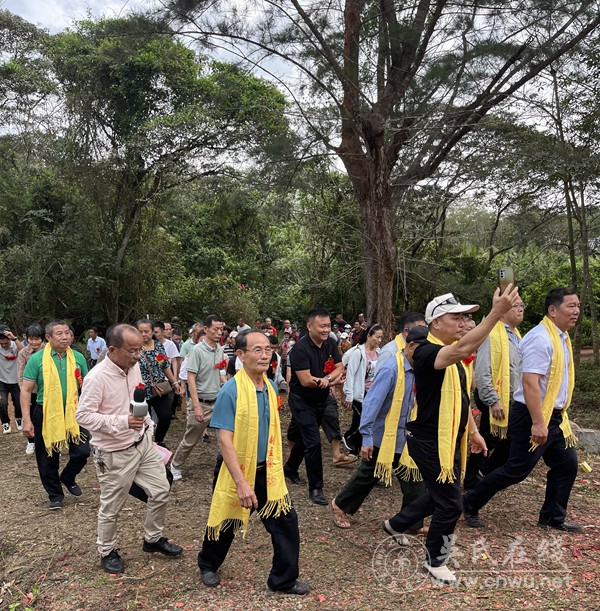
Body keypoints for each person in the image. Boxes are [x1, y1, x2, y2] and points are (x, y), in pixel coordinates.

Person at [381, 287, 519, 584]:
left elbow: (462, 399)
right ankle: (434, 561)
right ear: (435, 323)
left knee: (440, 494)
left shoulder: (451, 354)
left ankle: (396, 523)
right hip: (428, 440)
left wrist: (472, 432)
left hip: (448, 440)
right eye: (455, 317)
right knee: (451, 503)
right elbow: (463, 349)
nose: (462, 322)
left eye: (464, 317)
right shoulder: (428, 351)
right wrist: (496, 313)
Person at [198, 329, 309, 595]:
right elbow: (225, 440)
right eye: (256, 350)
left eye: (268, 350)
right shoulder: (231, 390)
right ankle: (208, 564)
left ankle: (282, 579)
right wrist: (241, 484)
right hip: (236, 469)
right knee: (226, 520)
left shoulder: (269, 386)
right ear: (240, 354)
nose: (264, 355)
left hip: (267, 470)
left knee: (286, 523)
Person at [463, 288, 582, 533]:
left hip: (556, 418)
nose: (577, 311)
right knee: (516, 470)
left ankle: (552, 517)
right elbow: (530, 383)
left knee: (567, 465)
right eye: (571, 306)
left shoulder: (560, 337)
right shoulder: (542, 338)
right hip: (532, 415)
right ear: (552, 310)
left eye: (578, 306)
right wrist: (538, 423)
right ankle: (469, 502)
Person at [76, 324, 183, 574]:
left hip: (142, 444)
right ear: (112, 349)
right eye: (132, 351)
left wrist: (148, 427)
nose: (137, 356)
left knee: (160, 490)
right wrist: (122, 421)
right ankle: (107, 550)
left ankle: (152, 539)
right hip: (113, 452)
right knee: (112, 506)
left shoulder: (133, 367)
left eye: (139, 351)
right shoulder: (97, 377)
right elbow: (83, 416)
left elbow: (138, 400)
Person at [331, 326, 428, 529]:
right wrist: (366, 438)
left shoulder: (418, 369)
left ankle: (413, 522)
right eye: (423, 349)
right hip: (383, 435)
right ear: (410, 346)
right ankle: (340, 505)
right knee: (368, 475)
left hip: (405, 435)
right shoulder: (391, 368)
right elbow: (371, 403)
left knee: (413, 476)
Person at [20, 320, 90, 510]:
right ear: (48, 338)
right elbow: (25, 390)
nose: (65, 336)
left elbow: (87, 386)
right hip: (46, 412)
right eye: (59, 333)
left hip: (74, 411)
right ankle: (55, 495)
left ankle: (68, 476)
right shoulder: (37, 359)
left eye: (67, 332)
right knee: (48, 455)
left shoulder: (77, 357)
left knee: (83, 451)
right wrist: (26, 420)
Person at [283, 308, 344, 505]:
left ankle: (290, 468)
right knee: (314, 442)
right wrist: (329, 381)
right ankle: (316, 488)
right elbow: (306, 380)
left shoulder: (331, 343)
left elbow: (339, 367)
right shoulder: (300, 349)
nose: (326, 330)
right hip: (302, 401)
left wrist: (327, 379)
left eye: (328, 326)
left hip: (321, 398)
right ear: (310, 326)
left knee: (304, 437)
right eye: (322, 326)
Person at [463, 296, 524, 490]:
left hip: (512, 397)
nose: (520, 309)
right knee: (492, 438)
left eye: (522, 305)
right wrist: (493, 400)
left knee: (502, 439)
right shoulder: (492, 333)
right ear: (502, 309)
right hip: (495, 397)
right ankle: (475, 479)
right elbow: (481, 370)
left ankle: (481, 476)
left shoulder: (516, 334)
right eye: (516, 306)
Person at [170, 315, 226, 481]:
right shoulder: (196, 350)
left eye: (221, 329)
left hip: (218, 401)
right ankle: (175, 465)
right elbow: (191, 378)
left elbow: (219, 372)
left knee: (225, 437)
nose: (219, 332)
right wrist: (196, 406)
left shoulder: (220, 349)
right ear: (206, 329)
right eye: (215, 329)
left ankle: (225, 466)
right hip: (201, 402)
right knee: (191, 439)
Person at [136, 320, 182, 446]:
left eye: (147, 331)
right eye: (140, 332)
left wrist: (174, 382)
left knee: (166, 416)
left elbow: (165, 366)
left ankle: (158, 440)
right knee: (145, 419)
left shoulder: (158, 345)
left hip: (159, 388)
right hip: (140, 389)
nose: (144, 334)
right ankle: (146, 444)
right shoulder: (134, 347)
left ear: (152, 332)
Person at [342, 324, 384, 455]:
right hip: (360, 393)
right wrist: (348, 395)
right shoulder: (357, 353)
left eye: (381, 338)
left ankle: (358, 447)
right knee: (360, 420)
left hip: (373, 392)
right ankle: (349, 439)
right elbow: (350, 375)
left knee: (368, 420)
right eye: (377, 337)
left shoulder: (380, 353)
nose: (379, 340)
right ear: (369, 336)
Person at [17, 324, 44, 454]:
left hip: (46, 391)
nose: (34, 342)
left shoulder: (49, 351)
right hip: (31, 392)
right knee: (32, 416)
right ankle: (31, 442)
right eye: (31, 339)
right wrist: (23, 391)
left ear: (43, 338)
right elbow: (20, 373)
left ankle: (50, 442)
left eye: (37, 339)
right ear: (26, 339)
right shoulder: (23, 353)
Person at [0, 325, 24, 434]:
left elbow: (25, 352)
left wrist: (14, 338)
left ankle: (19, 419)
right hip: (2, 380)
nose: (4, 345)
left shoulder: (16, 346)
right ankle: (5, 423)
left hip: (17, 380)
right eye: (2, 344)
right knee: (2, 402)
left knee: (19, 402)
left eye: (6, 343)